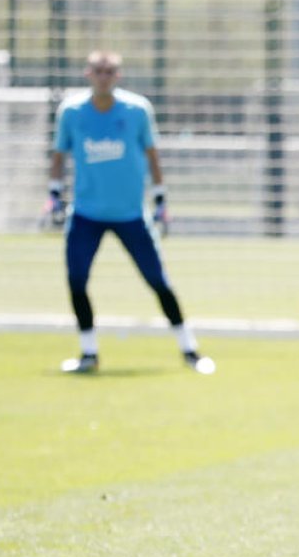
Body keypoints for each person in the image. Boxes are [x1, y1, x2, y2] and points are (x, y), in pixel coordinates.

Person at [48, 50, 213, 375]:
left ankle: (190, 350)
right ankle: (89, 353)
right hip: (86, 214)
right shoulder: (71, 111)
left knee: (158, 281)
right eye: (98, 71)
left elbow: (152, 154)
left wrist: (161, 198)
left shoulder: (137, 110)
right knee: (77, 280)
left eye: (109, 71)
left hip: (130, 214)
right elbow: (59, 154)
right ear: (88, 74)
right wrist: (54, 194)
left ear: (118, 76)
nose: (103, 77)